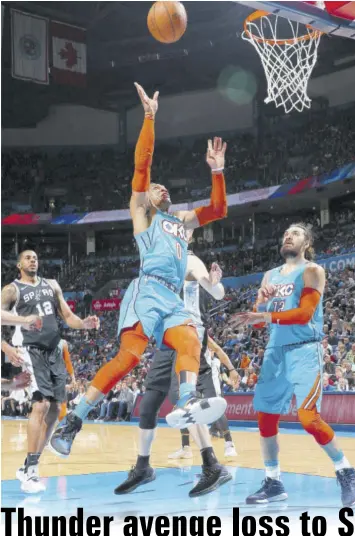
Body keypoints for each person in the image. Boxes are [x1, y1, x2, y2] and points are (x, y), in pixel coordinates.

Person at [50, 83, 228, 457]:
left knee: (192, 338)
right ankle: (75, 419)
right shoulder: (141, 213)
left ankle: (188, 399)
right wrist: (149, 118)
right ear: (146, 196)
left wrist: (218, 171)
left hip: (172, 297)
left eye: (164, 186)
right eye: (154, 187)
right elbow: (143, 166)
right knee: (127, 359)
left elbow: (218, 210)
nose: (160, 187)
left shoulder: (182, 219)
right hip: (146, 291)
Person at [230, 223, 355, 507]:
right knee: (265, 417)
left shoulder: (313, 271)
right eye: (286, 232)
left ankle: (346, 470)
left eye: (296, 233)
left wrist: (264, 317)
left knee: (308, 418)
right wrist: (261, 305)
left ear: (307, 243)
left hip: (304, 349)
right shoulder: (269, 275)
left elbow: (304, 314)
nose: (288, 235)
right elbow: (262, 316)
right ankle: (273, 481)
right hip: (275, 349)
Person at [115, 250, 240, 497]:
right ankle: (142, 468)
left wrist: (215, 284)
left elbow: (217, 292)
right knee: (149, 402)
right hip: (166, 337)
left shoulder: (190, 260)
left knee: (181, 398)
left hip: (187, 331)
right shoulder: (157, 265)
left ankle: (212, 465)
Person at [1, 250, 99, 493]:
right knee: (41, 404)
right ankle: (31, 469)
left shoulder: (52, 285)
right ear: (19, 264)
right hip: (31, 350)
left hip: (54, 349)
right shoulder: (12, 289)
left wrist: (83, 323)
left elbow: (67, 315)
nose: (33, 260)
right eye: (27, 258)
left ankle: (28, 466)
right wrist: (10, 340)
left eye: (35, 257)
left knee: (56, 408)